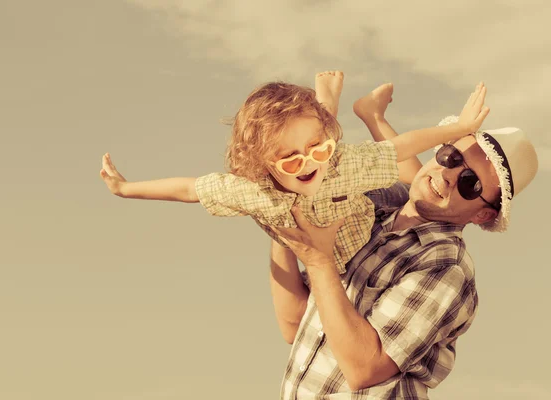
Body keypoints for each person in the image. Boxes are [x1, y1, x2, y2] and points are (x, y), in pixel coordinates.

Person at [270, 83, 539, 399]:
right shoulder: (373, 218)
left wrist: (319, 262)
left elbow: (365, 369)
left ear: (482, 216)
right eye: (450, 156)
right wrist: (284, 223)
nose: (450, 175)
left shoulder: (445, 265)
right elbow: (294, 324)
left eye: (471, 183)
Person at [99, 71, 489, 275]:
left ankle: (328, 112)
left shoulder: (337, 166)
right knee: (400, 178)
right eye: (288, 160)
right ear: (262, 165)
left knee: (413, 185)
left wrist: (458, 129)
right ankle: (330, 110)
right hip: (333, 253)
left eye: (317, 147)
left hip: (370, 219)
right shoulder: (252, 192)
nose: (307, 163)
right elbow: (189, 189)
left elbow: (405, 145)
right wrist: (125, 189)